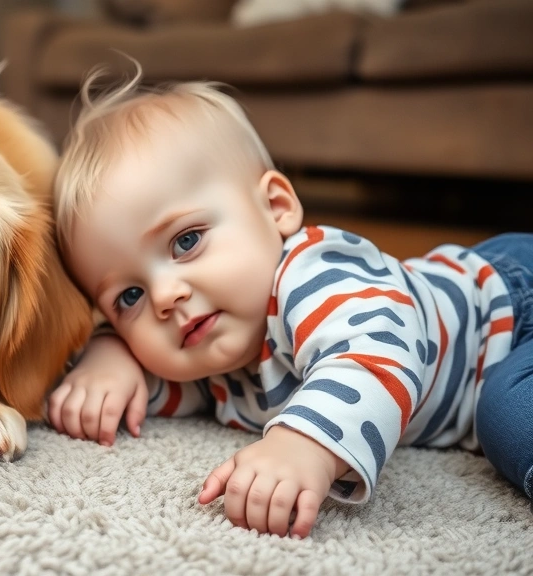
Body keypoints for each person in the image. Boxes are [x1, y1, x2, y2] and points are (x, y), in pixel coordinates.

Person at [47, 66, 533, 538]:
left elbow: (378, 350)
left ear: (276, 207)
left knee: (507, 414)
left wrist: (304, 444)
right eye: (129, 296)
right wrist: (108, 360)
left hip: (511, 312)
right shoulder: (213, 351)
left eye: (186, 241)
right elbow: (178, 388)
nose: (165, 297)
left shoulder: (313, 271)